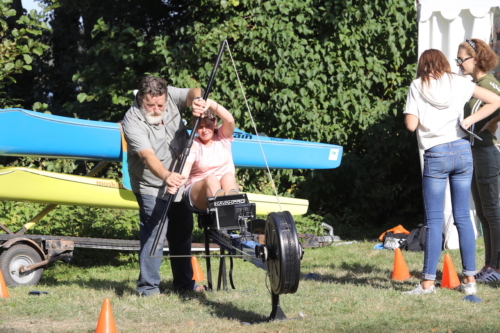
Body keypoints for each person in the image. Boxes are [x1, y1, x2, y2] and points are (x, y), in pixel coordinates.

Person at [402, 49, 500, 296]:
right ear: (445, 63)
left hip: (435, 153)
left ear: (422, 66)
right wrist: (469, 121)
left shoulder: (417, 85)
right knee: (464, 218)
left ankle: (426, 284)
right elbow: (496, 100)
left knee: (434, 221)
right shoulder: (459, 82)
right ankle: (469, 280)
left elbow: (411, 125)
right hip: (462, 150)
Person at [121, 75, 206, 295]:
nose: (157, 109)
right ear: (140, 98)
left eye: (161, 104)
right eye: (151, 105)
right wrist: (167, 176)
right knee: (155, 236)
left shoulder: (169, 97)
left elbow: (192, 91)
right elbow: (147, 156)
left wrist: (197, 101)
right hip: (151, 185)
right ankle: (148, 289)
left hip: (179, 182)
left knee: (182, 234)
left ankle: (184, 285)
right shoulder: (132, 121)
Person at [457, 38, 500, 282]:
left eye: (461, 59)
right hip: (475, 153)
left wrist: (490, 122)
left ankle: (497, 268)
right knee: (483, 214)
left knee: (492, 212)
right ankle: (490, 266)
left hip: (485, 154)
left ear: (476, 59)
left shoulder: (487, 83)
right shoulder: (475, 84)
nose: (459, 63)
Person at [167, 99, 238, 212]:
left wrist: (211, 104)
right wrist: (175, 183)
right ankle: (222, 214)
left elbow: (229, 120)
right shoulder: (193, 145)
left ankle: (232, 213)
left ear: (215, 123)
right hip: (197, 191)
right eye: (200, 127)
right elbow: (185, 172)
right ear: (194, 127)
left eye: (208, 125)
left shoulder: (222, 136)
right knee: (212, 179)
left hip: (224, 187)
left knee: (229, 176)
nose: (204, 130)